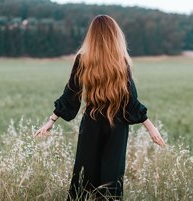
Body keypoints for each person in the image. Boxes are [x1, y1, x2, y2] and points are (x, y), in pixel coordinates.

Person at [35, 15, 166, 201]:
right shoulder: (121, 60)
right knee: (111, 179)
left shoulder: (83, 59)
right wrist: (151, 128)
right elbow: (130, 100)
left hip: (91, 124)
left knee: (84, 177)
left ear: (92, 35)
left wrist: (51, 121)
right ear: (115, 35)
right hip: (117, 126)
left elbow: (71, 94)